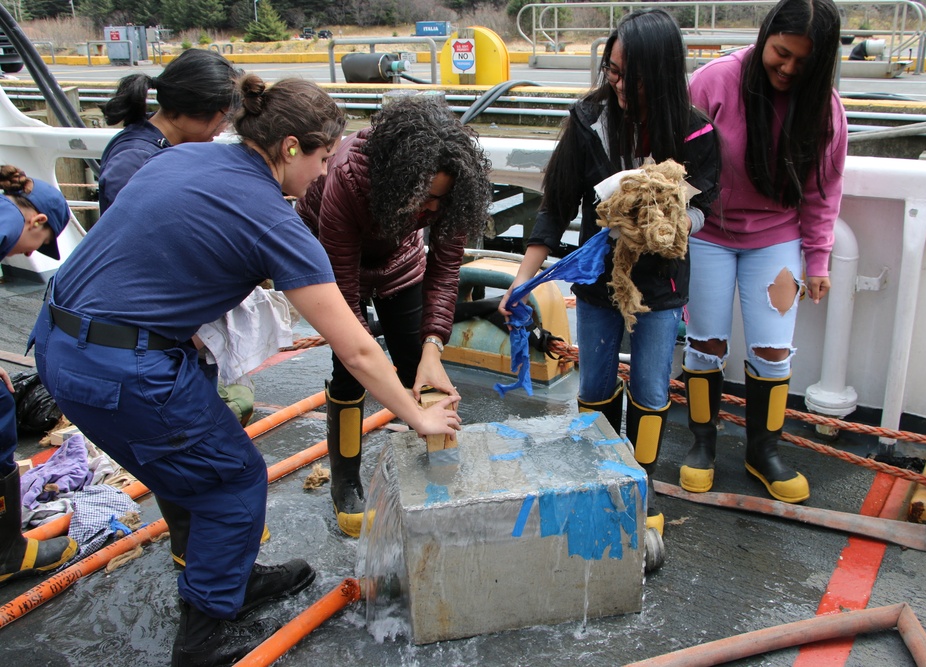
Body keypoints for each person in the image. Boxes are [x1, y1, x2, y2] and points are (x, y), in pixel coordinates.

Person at [30, 76, 460, 667]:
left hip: (56, 343)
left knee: (187, 467)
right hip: (122, 369)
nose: (324, 174)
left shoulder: (185, 158)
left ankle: (230, 577)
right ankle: (206, 635)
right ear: (289, 148)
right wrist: (415, 413)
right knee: (233, 479)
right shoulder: (272, 220)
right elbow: (357, 350)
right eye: (321, 158)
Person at [498, 9, 720, 535]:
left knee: (649, 387)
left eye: (628, 75)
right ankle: (596, 477)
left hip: (661, 286)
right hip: (599, 281)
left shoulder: (696, 133)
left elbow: (704, 205)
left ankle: (640, 488)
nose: (615, 83)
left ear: (661, 75)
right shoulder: (589, 119)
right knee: (594, 381)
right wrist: (523, 278)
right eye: (611, 70)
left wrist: (665, 221)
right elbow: (556, 204)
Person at [297, 94, 492, 538]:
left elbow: (444, 272)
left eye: (442, 203)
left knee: (415, 362)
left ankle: (436, 469)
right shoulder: (348, 176)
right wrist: (368, 362)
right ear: (399, 179)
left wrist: (432, 350)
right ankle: (345, 482)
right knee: (350, 371)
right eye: (426, 200)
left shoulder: (452, 185)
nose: (434, 213)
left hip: (397, 261)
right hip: (330, 259)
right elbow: (346, 307)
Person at [683, 0, 848, 504]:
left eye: (804, 62)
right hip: (707, 233)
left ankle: (763, 452)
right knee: (705, 343)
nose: (789, 68)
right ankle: (702, 445)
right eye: (781, 54)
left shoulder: (825, 108)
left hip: (776, 238)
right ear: (765, 36)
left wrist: (818, 260)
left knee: (773, 350)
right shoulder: (714, 82)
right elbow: (675, 162)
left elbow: (824, 190)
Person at [97, 48, 255, 571]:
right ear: (201, 114)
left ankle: (208, 548)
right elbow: (137, 255)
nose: (219, 132)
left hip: (165, 330)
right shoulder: (134, 162)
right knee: (178, 450)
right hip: (145, 339)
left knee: (194, 440)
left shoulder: (164, 147)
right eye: (219, 120)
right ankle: (197, 558)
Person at [0, 165, 78, 583]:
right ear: (37, 220)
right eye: (40, 243)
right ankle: (6, 551)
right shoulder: (9, 217)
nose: (30, 253)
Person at [98, 48, 240, 214]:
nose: (224, 128)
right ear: (199, 110)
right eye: (227, 118)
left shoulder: (161, 144)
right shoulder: (134, 159)